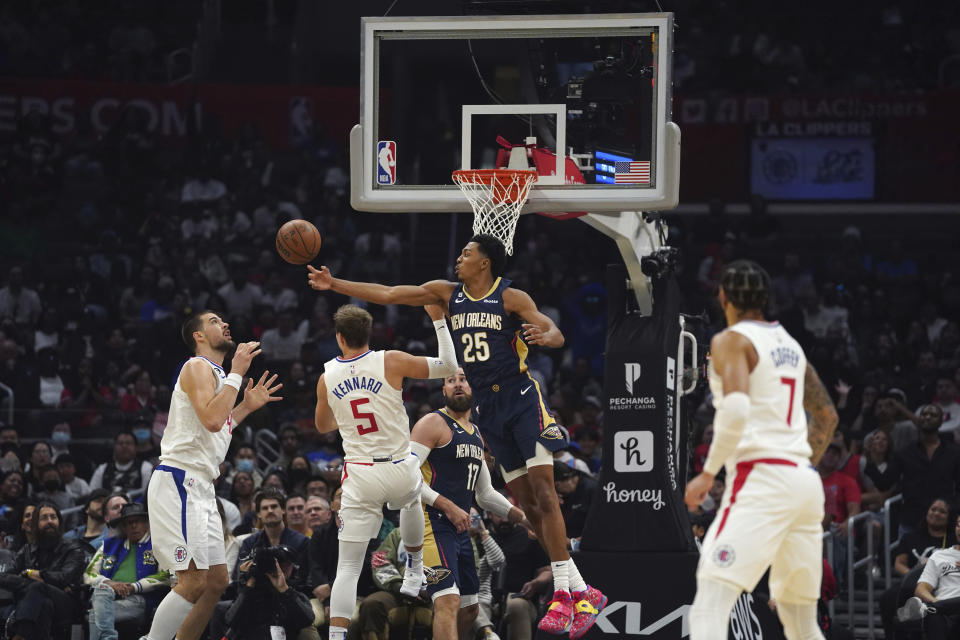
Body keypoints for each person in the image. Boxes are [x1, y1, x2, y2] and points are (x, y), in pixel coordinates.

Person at [307, 234, 604, 635]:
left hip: (520, 398)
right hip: (489, 411)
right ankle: (582, 589)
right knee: (529, 503)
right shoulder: (446, 293)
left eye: (467, 254)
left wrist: (545, 337)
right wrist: (336, 284)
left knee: (545, 493)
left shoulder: (511, 297)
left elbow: (553, 330)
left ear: (485, 263)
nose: (459, 258)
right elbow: (390, 293)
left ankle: (567, 591)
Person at [684, 260, 839, 640]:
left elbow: (736, 410)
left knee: (710, 603)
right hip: (803, 482)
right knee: (800, 618)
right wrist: (797, 468)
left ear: (723, 296)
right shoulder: (790, 344)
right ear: (766, 299)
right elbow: (828, 417)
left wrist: (708, 473)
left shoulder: (731, 340)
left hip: (761, 479)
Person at [313, 303, 459, 640]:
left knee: (347, 567)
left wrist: (343, 405)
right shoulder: (389, 359)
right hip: (396, 465)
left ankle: (335, 638)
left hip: (361, 473)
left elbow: (322, 425)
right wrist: (438, 318)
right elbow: (449, 366)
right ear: (370, 333)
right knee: (410, 500)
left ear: (339, 338)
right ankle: (414, 568)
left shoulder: (326, 376)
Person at [142, 310, 282, 640]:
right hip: (180, 480)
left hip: (201, 485)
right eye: (216, 321)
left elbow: (215, 429)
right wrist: (237, 372)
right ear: (199, 336)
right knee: (192, 581)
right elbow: (212, 421)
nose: (226, 324)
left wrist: (245, 407)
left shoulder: (217, 376)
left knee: (217, 581)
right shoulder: (197, 367)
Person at [409, 368, 528, 639]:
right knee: (447, 601)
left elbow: (485, 494)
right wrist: (447, 506)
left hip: (460, 531)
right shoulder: (432, 422)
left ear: (475, 388)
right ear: (443, 390)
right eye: (451, 381)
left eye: (463, 380)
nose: (458, 384)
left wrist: (523, 518)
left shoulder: (476, 433)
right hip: (431, 524)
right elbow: (405, 476)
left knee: (471, 610)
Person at [0, 501, 89, 640]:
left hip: (68, 604)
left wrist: (35, 574)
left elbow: (64, 578)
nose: (50, 521)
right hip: (37, 602)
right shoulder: (28, 549)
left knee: (38, 587)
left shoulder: (73, 548)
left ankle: (19, 635)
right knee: (44, 603)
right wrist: (30, 577)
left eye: (53, 517)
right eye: (44, 518)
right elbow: (5, 577)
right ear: (35, 524)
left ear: (59, 522)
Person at [83, 503, 170, 640]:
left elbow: (166, 575)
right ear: (123, 527)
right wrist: (109, 583)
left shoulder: (158, 544)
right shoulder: (109, 545)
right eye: (129, 523)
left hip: (139, 599)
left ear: (147, 523)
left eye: (138, 521)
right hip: (107, 596)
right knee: (101, 591)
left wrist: (134, 587)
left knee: (96, 613)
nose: (133, 526)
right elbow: (88, 574)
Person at [899, 512, 960, 640]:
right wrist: (936, 603)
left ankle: (923, 609)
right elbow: (921, 589)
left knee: (932, 610)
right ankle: (931, 608)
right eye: (958, 525)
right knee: (933, 615)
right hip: (943, 611)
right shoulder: (939, 556)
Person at [88, 431, 154, 494]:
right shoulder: (102, 469)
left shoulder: (146, 468)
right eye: (120, 443)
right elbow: (93, 495)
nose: (124, 446)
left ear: (136, 447)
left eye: (128, 443)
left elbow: (148, 495)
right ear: (114, 447)